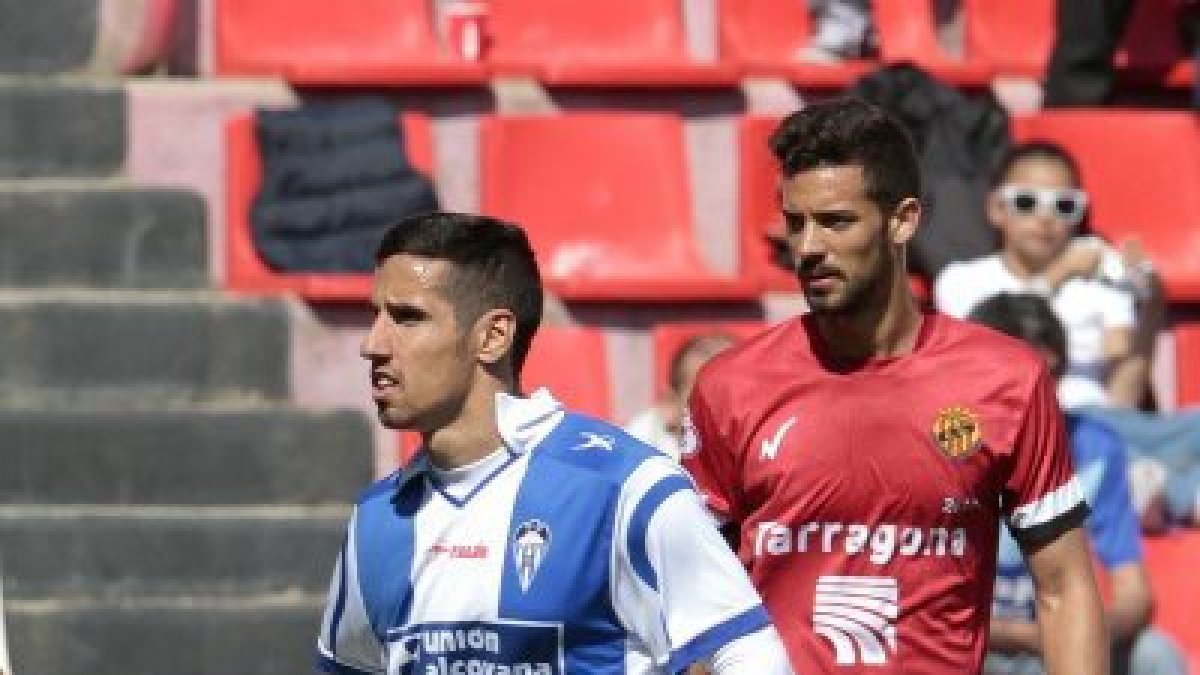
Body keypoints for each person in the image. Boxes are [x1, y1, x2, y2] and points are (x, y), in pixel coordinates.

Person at [682, 99, 1106, 672]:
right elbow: (688, 596)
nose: (808, 247)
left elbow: (1064, 587)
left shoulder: (1006, 381)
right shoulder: (730, 386)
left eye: (836, 221)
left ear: (903, 219)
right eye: (796, 222)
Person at [315, 212, 793, 675]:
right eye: (375, 315)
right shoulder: (377, 517)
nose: (373, 344)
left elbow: (747, 653)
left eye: (407, 317)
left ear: (492, 337)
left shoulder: (624, 489)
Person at [932, 142, 1199, 531]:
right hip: (1018, 423)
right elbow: (987, 364)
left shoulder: (1103, 286)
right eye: (1026, 202)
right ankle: (1165, 491)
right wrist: (1057, 278)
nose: (1045, 218)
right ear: (995, 209)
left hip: (1103, 424)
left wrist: (1153, 304)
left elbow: (1123, 393)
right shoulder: (963, 280)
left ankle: (1152, 487)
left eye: (1064, 205)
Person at [968, 293, 1188, 675]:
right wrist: (1031, 636)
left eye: (1044, 377)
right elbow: (923, 606)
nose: (1030, 394)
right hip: (975, 643)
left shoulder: (1094, 445)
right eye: (1011, 379)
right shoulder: (946, 447)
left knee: (1156, 656)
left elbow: (1133, 590)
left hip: (1063, 633)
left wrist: (1093, 632)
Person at [625, 333, 737, 461]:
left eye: (738, 394)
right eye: (708, 399)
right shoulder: (633, 460)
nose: (727, 410)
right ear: (669, 404)